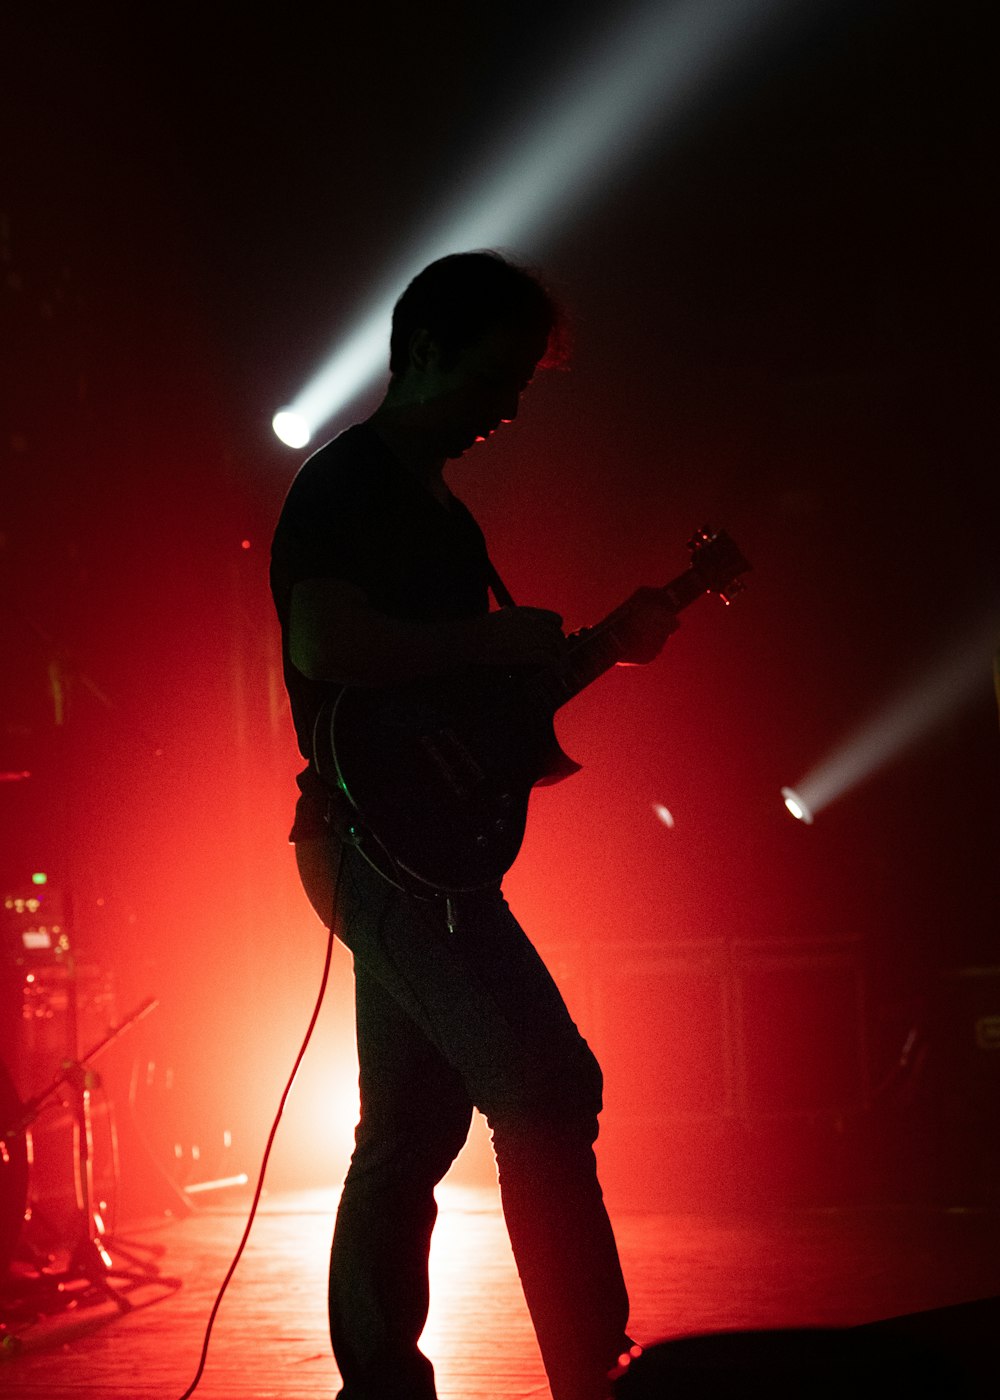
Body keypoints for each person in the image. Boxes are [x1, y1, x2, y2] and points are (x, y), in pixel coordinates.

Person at [269, 251, 674, 1400]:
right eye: (498, 374)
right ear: (422, 350)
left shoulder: (445, 511)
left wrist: (600, 649)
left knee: (407, 1130)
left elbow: (463, 713)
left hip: (406, 846)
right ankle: (595, 1382)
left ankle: (380, 1386)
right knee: (545, 1085)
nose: (510, 404)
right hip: (376, 845)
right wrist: (495, 644)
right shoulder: (346, 485)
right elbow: (326, 645)